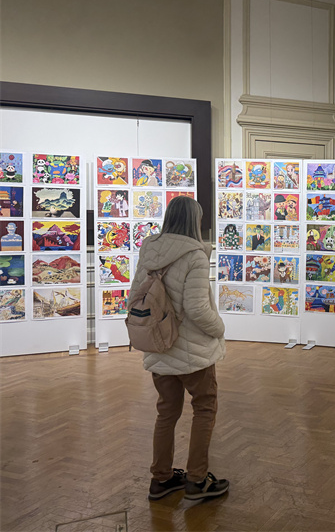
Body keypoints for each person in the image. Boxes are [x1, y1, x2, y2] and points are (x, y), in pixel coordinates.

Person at [130, 196, 229, 501]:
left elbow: (135, 296)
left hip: (159, 345)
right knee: (205, 408)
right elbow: (197, 309)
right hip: (193, 351)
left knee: (166, 412)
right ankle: (197, 480)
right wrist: (220, 329)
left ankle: (161, 478)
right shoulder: (195, 255)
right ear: (194, 220)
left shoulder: (149, 250)